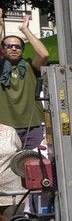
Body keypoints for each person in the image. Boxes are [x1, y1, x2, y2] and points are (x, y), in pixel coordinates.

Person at [0, 14, 49, 148]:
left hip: (32, 126)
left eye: (18, 46)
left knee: (32, 164)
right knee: (5, 166)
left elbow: (44, 54)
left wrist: (25, 30)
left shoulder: (30, 66)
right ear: (3, 50)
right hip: (4, 127)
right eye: (9, 46)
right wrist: (0, 26)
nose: (14, 48)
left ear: (23, 50)